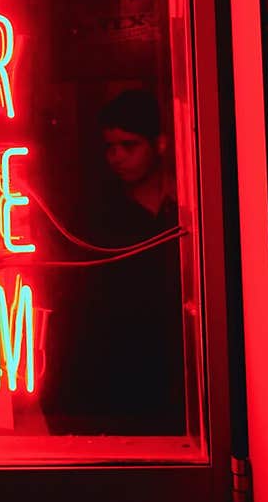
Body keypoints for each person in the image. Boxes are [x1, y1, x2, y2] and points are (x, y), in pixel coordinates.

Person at [43, 88, 185, 434]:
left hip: (173, 369)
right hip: (117, 369)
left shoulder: (184, 209)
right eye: (109, 147)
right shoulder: (101, 214)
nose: (117, 157)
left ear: (161, 144)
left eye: (129, 145)